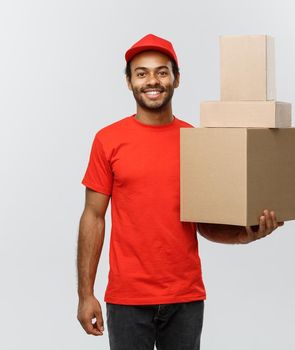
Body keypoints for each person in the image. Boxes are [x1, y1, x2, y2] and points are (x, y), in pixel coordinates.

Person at [76, 33, 283, 350]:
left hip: (185, 297)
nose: (152, 80)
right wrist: (85, 294)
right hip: (128, 298)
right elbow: (93, 216)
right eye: (141, 73)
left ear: (176, 79)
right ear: (129, 82)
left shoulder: (197, 141)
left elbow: (206, 222)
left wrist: (246, 234)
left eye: (162, 71)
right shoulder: (108, 140)